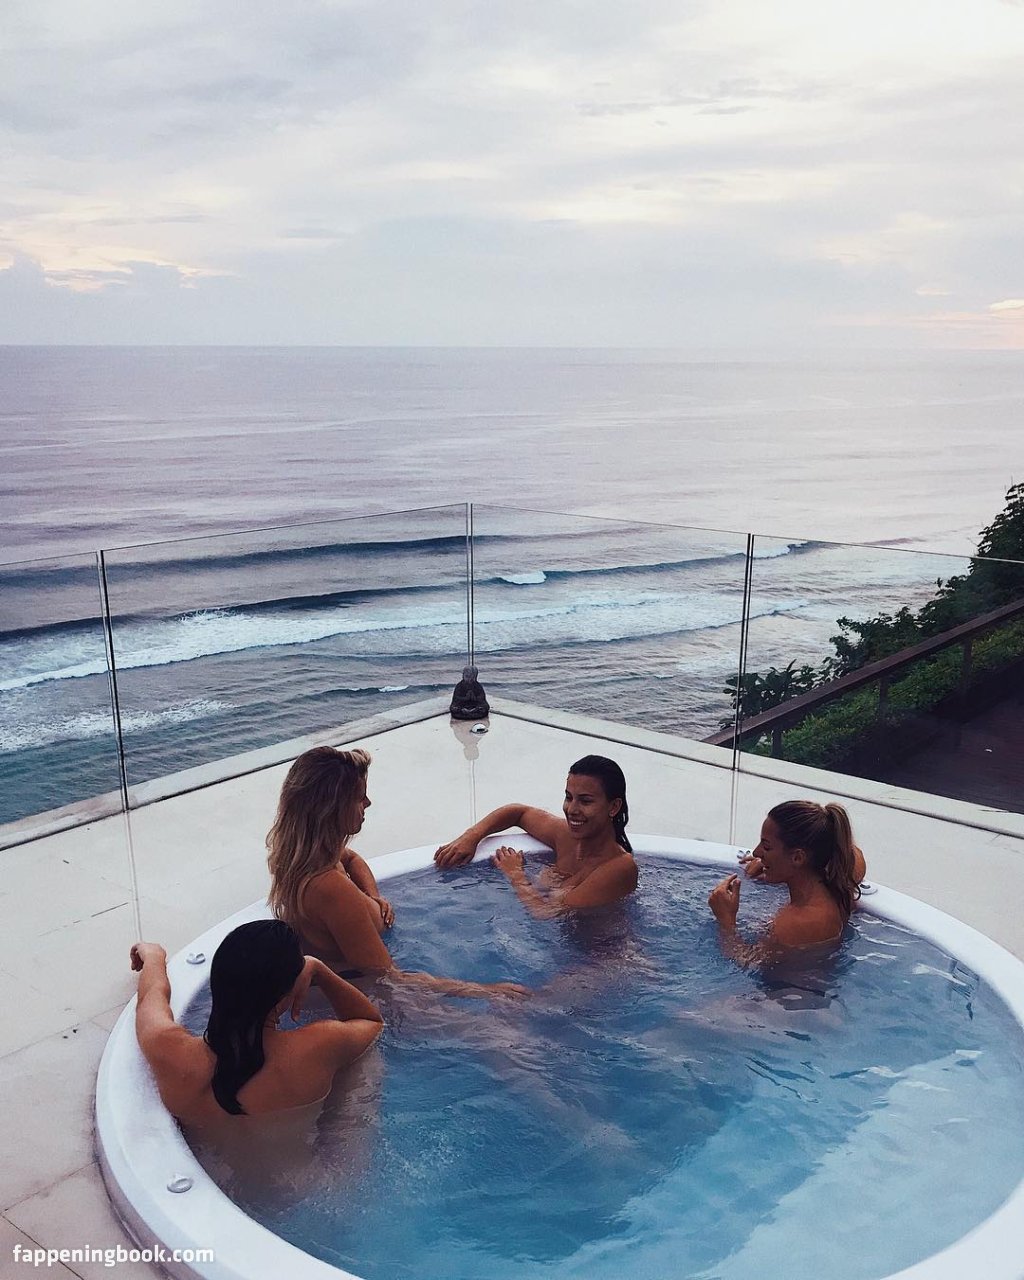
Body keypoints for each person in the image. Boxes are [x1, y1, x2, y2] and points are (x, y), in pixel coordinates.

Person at [267, 745, 527, 1002]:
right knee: (503, 1019)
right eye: (360, 798)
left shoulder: (306, 856)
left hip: (361, 974)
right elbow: (389, 978)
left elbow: (352, 858)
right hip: (366, 992)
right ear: (333, 808)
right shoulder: (331, 888)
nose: (368, 803)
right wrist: (483, 990)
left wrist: (373, 897)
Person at [130, 920, 383, 1125]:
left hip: (213, 1161)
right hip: (308, 1171)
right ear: (289, 991)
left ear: (216, 981)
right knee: (361, 1067)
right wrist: (318, 968)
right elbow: (371, 1021)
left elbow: (151, 996)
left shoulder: (168, 1049)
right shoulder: (318, 1046)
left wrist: (154, 957)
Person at [434, 754, 638, 918]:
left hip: (607, 954)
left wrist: (515, 874)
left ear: (613, 807)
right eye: (569, 797)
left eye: (585, 801)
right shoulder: (568, 837)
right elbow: (519, 813)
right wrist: (470, 837)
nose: (572, 809)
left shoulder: (620, 867)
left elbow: (546, 912)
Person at [707, 799, 865, 964]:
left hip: (791, 981)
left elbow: (747, 963)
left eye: (767, 847)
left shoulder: (796, 922)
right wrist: (773, 861)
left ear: (797, 858)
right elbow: (855, 855)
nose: (756, 852)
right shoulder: (840, 880)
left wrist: (726, 921)